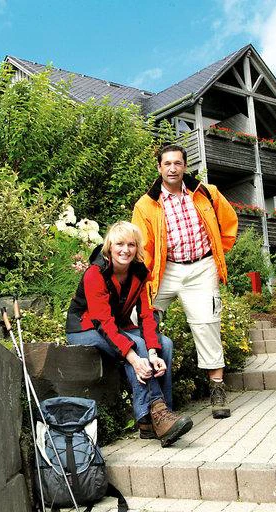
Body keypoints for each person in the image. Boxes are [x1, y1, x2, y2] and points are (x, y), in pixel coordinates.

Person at [132, 144, 238, 419]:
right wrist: (144, 278)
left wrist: (218, 252)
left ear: (185, 166)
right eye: (167, 163)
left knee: (207, 325)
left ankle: (217, 389)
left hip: (202, 268)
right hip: (166, 270)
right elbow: (143, 247)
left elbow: (229, 222)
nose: (172, 168)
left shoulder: (206, 193)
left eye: (177, 163)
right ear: (159, 167)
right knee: (138, 316)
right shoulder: (146, 205)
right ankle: (150, 391)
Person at [66, 221, 193, 447]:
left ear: (137, 248)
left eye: (131, 245)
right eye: (120, 244)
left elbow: (146, 315)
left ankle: (158, 419)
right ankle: (154, 414)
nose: (125, 250)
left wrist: (152, 353)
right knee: (135, 345)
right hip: (86, 328)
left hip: (118, 326)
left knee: (165, 344)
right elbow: (103, 322)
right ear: (109, 246)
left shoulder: (138, 273)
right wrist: (134, 358)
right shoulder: (95, 273)